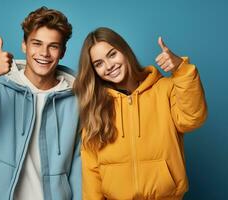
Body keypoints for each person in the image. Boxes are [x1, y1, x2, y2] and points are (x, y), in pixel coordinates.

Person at [0, 6, 81, 200]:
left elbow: (80, 165)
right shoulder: (0, 85)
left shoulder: (76, 99)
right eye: (36, 43)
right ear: (24, 45)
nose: (44, 53)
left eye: (53, 46)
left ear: (62, 51)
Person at [73, 27, 207, 200]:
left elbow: (193, 119)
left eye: (112, 54)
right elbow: (91, 171)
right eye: (98, 64)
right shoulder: (96, 106)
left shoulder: (164, 89)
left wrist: (180, 69)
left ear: (125, 51)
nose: (109, 66)